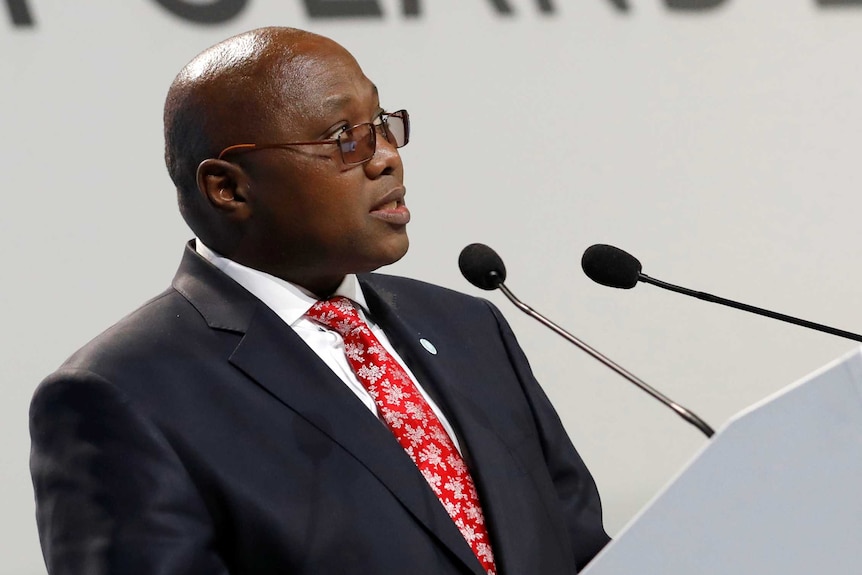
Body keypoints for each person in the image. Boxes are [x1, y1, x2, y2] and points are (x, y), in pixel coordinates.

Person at [29, 26, 610, 575]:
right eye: (344, 138)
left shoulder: (468, 327)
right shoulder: (123, 392)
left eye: (382, 124)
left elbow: (584, 548)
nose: (386, 156)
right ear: (228, 188)